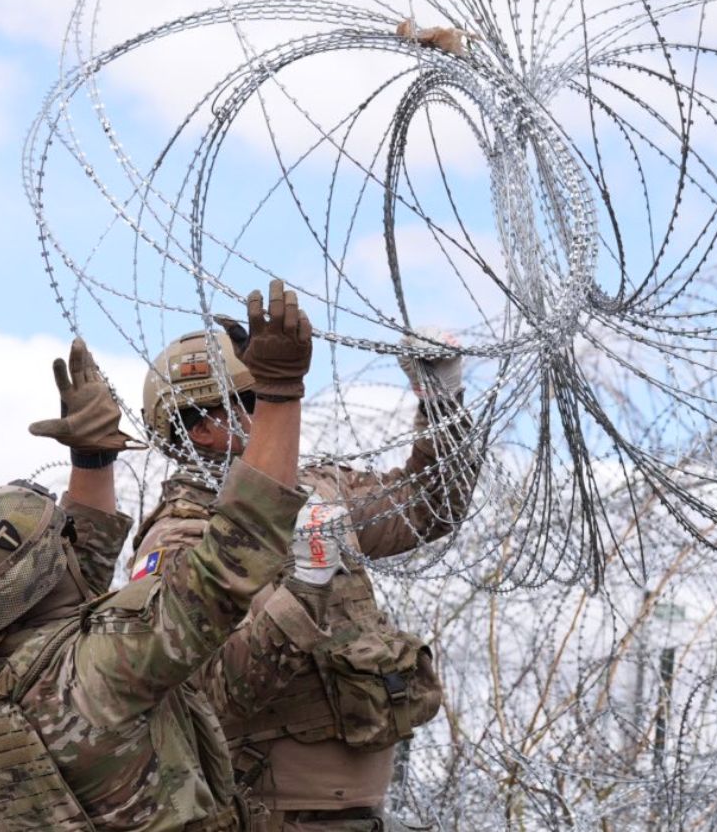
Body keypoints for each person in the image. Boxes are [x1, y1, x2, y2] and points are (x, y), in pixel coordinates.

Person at [0, 280, 315, 831]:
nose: (72, 538)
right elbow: (232, 556)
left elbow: (69, 586)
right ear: (35, 579)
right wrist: (278, 394)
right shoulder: (101, 669)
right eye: (60, 537)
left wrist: (92, 461)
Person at [126, 319, 483, 832]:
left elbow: (430, 507)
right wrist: (304, 589)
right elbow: (210, 692)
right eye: (257, 400)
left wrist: (440, 399)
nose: (280, 409)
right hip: (272, 818)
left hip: (363, 815)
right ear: (202, 429)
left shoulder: (314, 492)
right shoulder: (181, 538)